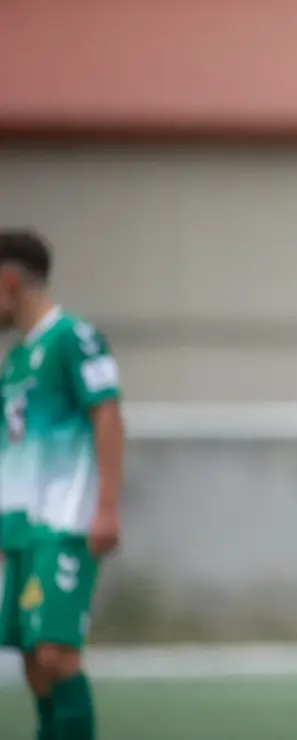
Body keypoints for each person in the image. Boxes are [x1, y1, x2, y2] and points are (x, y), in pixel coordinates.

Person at [0, 230, 124, 740]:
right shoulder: (16, 359)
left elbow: (108, 414)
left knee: (56, 653)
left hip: (63, 523)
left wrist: (107, 508)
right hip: (22, 530)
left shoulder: (74, 337)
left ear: (8, 279)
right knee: (32, 659)